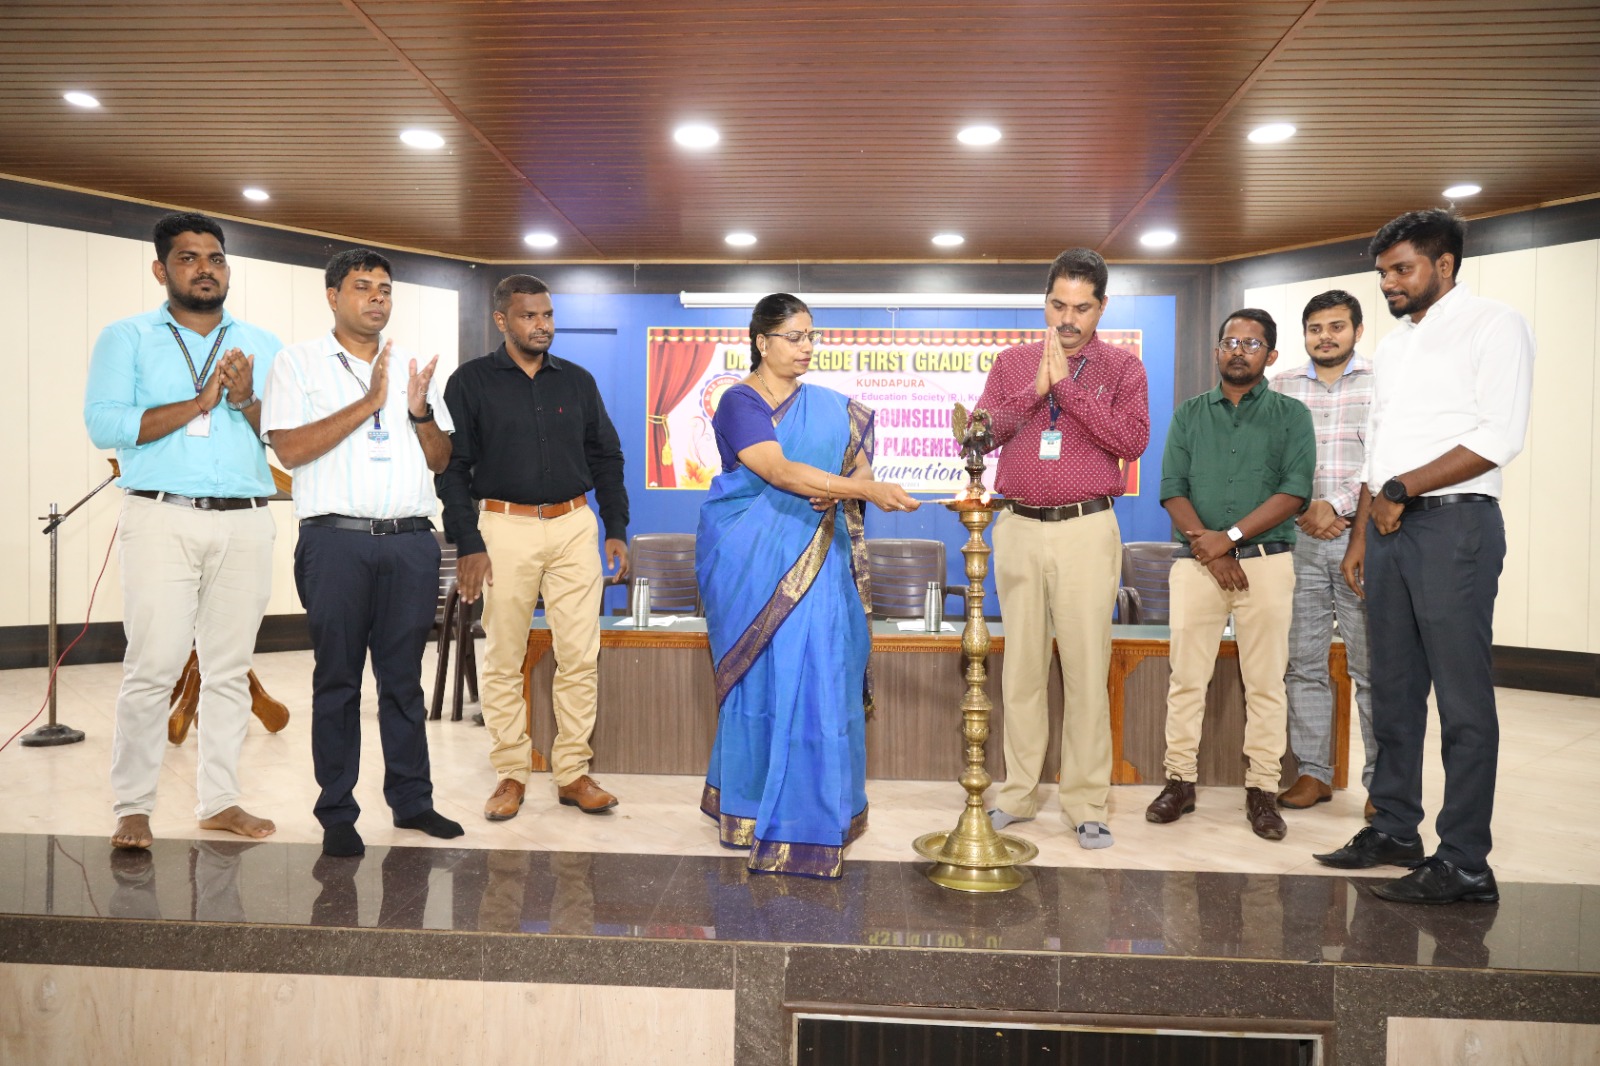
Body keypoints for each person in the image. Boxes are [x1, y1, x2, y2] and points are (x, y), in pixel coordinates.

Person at [1314, 210, 1535, 904]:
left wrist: (1403, 490)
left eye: (1401, 269)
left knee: (1463, 702)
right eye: (1383, 272)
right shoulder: (1396, 346)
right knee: (1394, 691)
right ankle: (1395, 828)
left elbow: (1499, 436)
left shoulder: (1495, 325)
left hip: (1454, 528)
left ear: (1444, 264)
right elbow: (1379, 447)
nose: (1389, 283)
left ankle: (1465, 860)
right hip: (1386, 532)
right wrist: (1360, 535)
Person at [697, 293, 920, 878]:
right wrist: (858, 490)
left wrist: (849, 483)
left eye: (811, 336)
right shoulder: (740, 401)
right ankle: (749, 809)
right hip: (753, 560)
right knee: (763, 680)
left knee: (823, 671)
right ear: (761, 341)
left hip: (822, 558)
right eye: (794, 337)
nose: (806, 347)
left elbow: (856, 464)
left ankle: (820, 812)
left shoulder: (830, 408)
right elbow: (777, 471)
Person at [84, 212, 281, 850]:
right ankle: (133, 806)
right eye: (189, 257)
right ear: (160, 269)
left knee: (229, 669)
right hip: (161, 516)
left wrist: (246, 401)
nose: (205, 269)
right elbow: (106, 425)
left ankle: (219, 800)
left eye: (215, 258)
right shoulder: (127, 337)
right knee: (153, 667)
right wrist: (199, 404)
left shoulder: (262, 342)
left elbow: (287, 439)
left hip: (246, 520)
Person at [261, 248, 464, 857]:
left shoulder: (412, 367)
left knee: (403, 682)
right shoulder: (297, 363)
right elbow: (289, 451)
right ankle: (337, 813)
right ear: (332, 296)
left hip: (410, 543)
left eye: (385, 288)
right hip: (336, 543)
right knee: (339, 680)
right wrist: (369, 404)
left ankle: (413, 801)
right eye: (363, 286)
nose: (377, 296)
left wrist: (418, 411)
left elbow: (441, 460)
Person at [975, 248, 1150, 850]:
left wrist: (1068, 391)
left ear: (1102, 308)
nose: (1067, 319)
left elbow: (1131, 440)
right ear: (1044, 301)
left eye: (1081, 308)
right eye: (1058, 305)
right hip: (1018, 526)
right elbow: (979, 436)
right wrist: (1035, 391)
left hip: (1086, 529)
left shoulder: (1123, 369)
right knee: (1021, 669)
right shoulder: (1011, 363)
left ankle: (1085, 803)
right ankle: (1018, 793)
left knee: (1085, 670)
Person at [438, 274, 629, 820]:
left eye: (547, 315)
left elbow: (606, 457)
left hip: (574, 525)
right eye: (529, 316)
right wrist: (468, 541)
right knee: (504, 655)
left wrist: (615, 526)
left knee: (580, 655)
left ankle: (572, 772)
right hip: (504, 527)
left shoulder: (577, 381)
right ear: (502, 320)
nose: (542, 325)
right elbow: (452, 469)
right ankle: (510, 774)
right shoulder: (470, 382)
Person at [1146, 309, 1315, 841]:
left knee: (1265, 683)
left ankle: (1262, 789)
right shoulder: (1190, 414)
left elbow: (1294, 492)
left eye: (1252, 343)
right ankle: (1180, 782)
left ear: (1272, 355)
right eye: (1230, 342)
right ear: (1217, 351)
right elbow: (1172, 488)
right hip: (1198, 566)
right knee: (1186, 680)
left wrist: (1232, 538)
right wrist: (1213, 552)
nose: (1238, 351)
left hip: (1267, 564)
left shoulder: (1291, 416)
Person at [1268, 291, 1378, 816]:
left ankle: (1384, 784)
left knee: (1372, 668)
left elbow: (1386, 459)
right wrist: (1306, 510)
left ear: (1358, 329)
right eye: (1315, 328)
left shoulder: (1382, 383)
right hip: (1301, 539)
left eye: (1337, 326)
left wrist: (1333, 506)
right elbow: (1272, 461)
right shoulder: (1281, 386)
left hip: (1367, 539)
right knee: (1304, 663)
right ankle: (1314, 773)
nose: (1325, 337)